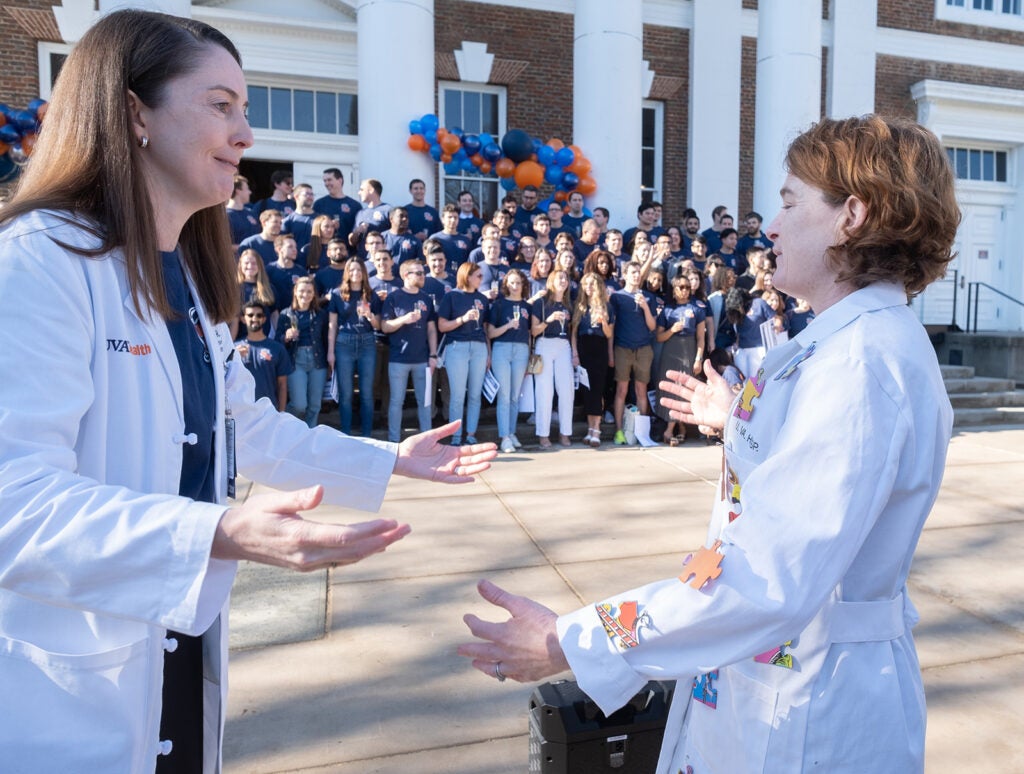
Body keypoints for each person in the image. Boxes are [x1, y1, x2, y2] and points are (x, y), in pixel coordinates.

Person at [0, 10, 496, 774]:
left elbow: (250, 428)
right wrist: (219, 534)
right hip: (70, 680)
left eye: (247, 108)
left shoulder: (192, 280)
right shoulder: (38, 263)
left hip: (176, 647)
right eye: (221, 105)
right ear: (134, 111)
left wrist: (390, 459)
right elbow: (14, 503)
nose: (246, 135)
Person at [457, 113, 957, 774]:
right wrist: (737, 421)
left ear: (851, 216)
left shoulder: (858, 365)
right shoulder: (846, 344)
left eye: (788, 202)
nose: (770, 227)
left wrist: (571, 642)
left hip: (810, 707)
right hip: (773, 678)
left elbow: (766, 579)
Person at [381, 259, 438, 442]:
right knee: (397, 402)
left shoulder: (426, 298)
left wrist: (433, 354)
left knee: (425, 403)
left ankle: (426, 441)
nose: (423, 276)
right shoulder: (394, 297)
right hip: (399, 358)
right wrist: (403, 319)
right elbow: (385, 326)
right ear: (406, 275)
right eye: (418, 273)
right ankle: (394, 441)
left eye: (423, 273)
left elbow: (431, 329)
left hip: (422, 358)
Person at [437, 262, 491, 447]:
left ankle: (471, 434)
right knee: (458, 396)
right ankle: (455, 436)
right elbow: (442, 325)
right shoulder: (452, 296)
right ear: (467, 276)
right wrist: (462, 319)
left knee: (475, 395)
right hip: (457, 347)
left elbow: (485, 329)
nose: (481, 279)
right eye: (478, 276)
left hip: (479, 348)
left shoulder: (483, 299)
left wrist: (488, 354)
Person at [327, 258, 381, 437]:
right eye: (352, 270)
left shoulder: (372, 295)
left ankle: (366, 434)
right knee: (346, 393)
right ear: (347, 273)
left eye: (359, 270)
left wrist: (369, 315)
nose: (355, 273)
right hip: (344, 343)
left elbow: (378, 325)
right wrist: (330, 351)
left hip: (367, 342)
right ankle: (346, 433)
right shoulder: (337, 294)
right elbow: (332, 325)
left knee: (366, 392)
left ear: (364, 272)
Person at [607, 261, 657, 444]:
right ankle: (619, 431)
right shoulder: (617, 297)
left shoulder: (648, 298)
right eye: (632, 272)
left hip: (644, 348)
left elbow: (652, 326)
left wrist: (644, 307)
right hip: (622, 348)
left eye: (638, 272)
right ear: (625, 275)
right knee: (621, 390)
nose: (636, 275)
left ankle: (643, 433)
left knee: (641, 390)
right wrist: (611, 353)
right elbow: (611, 327)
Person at [654, 276, 706, 444]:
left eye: (687, 287)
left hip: (689, 349)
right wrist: (672, 330)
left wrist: (698, 358)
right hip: (671, 350)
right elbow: (659, 337)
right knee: (670, 388)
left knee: (685, 388)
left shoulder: (697, 309)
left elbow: (701, 338)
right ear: (674, 291)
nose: (685, 290)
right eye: (681, 287)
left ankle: (677, 428)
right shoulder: (668, 310)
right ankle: (674, 427)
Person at [487, 269, 532, 453]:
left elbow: (529, 334)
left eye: (518, 283)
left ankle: (512, 432)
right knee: (504, 395)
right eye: (512, 283)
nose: (515, 286)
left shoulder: (527, 307)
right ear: (506, 285)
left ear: (523, 285)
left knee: (515, 396)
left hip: (521, 350)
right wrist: (507, 326)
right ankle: (504, 436)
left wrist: (529, 355)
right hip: (502, 349)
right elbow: (490, 333)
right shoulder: (499, 305)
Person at [530, 269, 575, 448]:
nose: (563, 281)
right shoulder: (540, 302)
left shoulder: (569, 304)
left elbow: (573, 332)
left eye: (565, 278)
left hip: (564, 346)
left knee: (566, 390)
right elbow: (534, 331)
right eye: (559, 278)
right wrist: (548, 320)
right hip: (544, 344)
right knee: (544, 391)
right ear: (551, 281)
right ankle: (543, 434)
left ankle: (565, 433)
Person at [275, 276, 329, 427]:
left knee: (314, 406)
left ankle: (310, 436)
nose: (305, 295)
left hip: (317, 361)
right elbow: (277, 342)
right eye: (302, 291)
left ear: (314, 294)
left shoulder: (320, 314)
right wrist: (285, 337)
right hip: (295, 360)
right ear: (295, 292)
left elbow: (326, 339)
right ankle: (289, 427)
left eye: (309, 291)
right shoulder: (286, 314)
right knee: (299, 405)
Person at [571, 271, 615, 447]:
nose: (588, 288)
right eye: (585, 284)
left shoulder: (606, 306)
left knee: (597, 388)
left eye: (591, 284)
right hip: (583, 347)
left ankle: (596, 428)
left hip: (599, 347)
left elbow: (609, 333)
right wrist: (575, 353)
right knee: (587, 389)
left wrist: (604, 321)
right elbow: (573, 333)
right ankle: (590, 428)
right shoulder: (579, 306)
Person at [235, 302, 293, 410]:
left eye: (259, 315)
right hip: (241, 410)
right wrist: (233, 357)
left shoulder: (277, 348)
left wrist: (281, 413)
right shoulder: (234, 348)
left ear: (264, 319)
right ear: (243, 319)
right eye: (250, 315)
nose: (255, 318)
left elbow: (282, 385)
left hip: (269, 411)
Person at [314, 167, 361, 244]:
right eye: (325, 181)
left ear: (340, 180)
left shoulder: (354, 205)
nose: (326, 183)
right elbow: (315, 229)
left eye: (329, 180)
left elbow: (357, 231)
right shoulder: (319, 204)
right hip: (325, 250)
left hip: (347, 251)